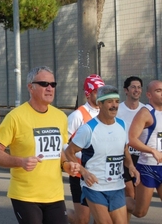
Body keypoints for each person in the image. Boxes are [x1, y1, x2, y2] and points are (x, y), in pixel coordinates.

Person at [0, 66, 80, 224]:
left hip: (54, 195)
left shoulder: (60, 117)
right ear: (30, 87)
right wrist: (20, 162)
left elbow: (59, 151)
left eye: (53, 84)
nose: (50, 88)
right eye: (44, 84)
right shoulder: (16, 117)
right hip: (25, 196)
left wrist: (66, 164)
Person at [65, 85, 140, 224]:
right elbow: (69, 151)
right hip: (95, 186)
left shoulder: (122, 125)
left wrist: (130, 166)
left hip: (117, 186)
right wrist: (84, 172)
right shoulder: (88, 129)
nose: (114, 106)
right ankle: (62, 215)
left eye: (117, 101)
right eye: (110, 101)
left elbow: (124, 149)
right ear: (100, 103)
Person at [66, 74, 104, 224]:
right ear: (88, 94)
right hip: (80, 174)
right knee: (81, 219)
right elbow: (63, 143)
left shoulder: (106, 113)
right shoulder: (77, 115)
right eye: (97, 91)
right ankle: (58, 214)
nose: (101, 94)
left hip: (101, 171)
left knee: (102, 217)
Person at [127, 80, 162, 218]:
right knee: (140, 212)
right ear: (149, 95)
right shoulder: (146, 113)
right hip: (148, 167)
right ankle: (114, 202)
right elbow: (131, 139)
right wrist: (152, 151)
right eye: (158, 91)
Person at [116, 76, 144, 201]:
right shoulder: (117, 110)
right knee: (129, 192)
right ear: (126, 90)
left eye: (139, 87)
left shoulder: (145, 111)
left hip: (141, 157)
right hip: (123, 156)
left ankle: (114, 211)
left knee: (137, 197)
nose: (136, 90)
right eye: (133, 87)